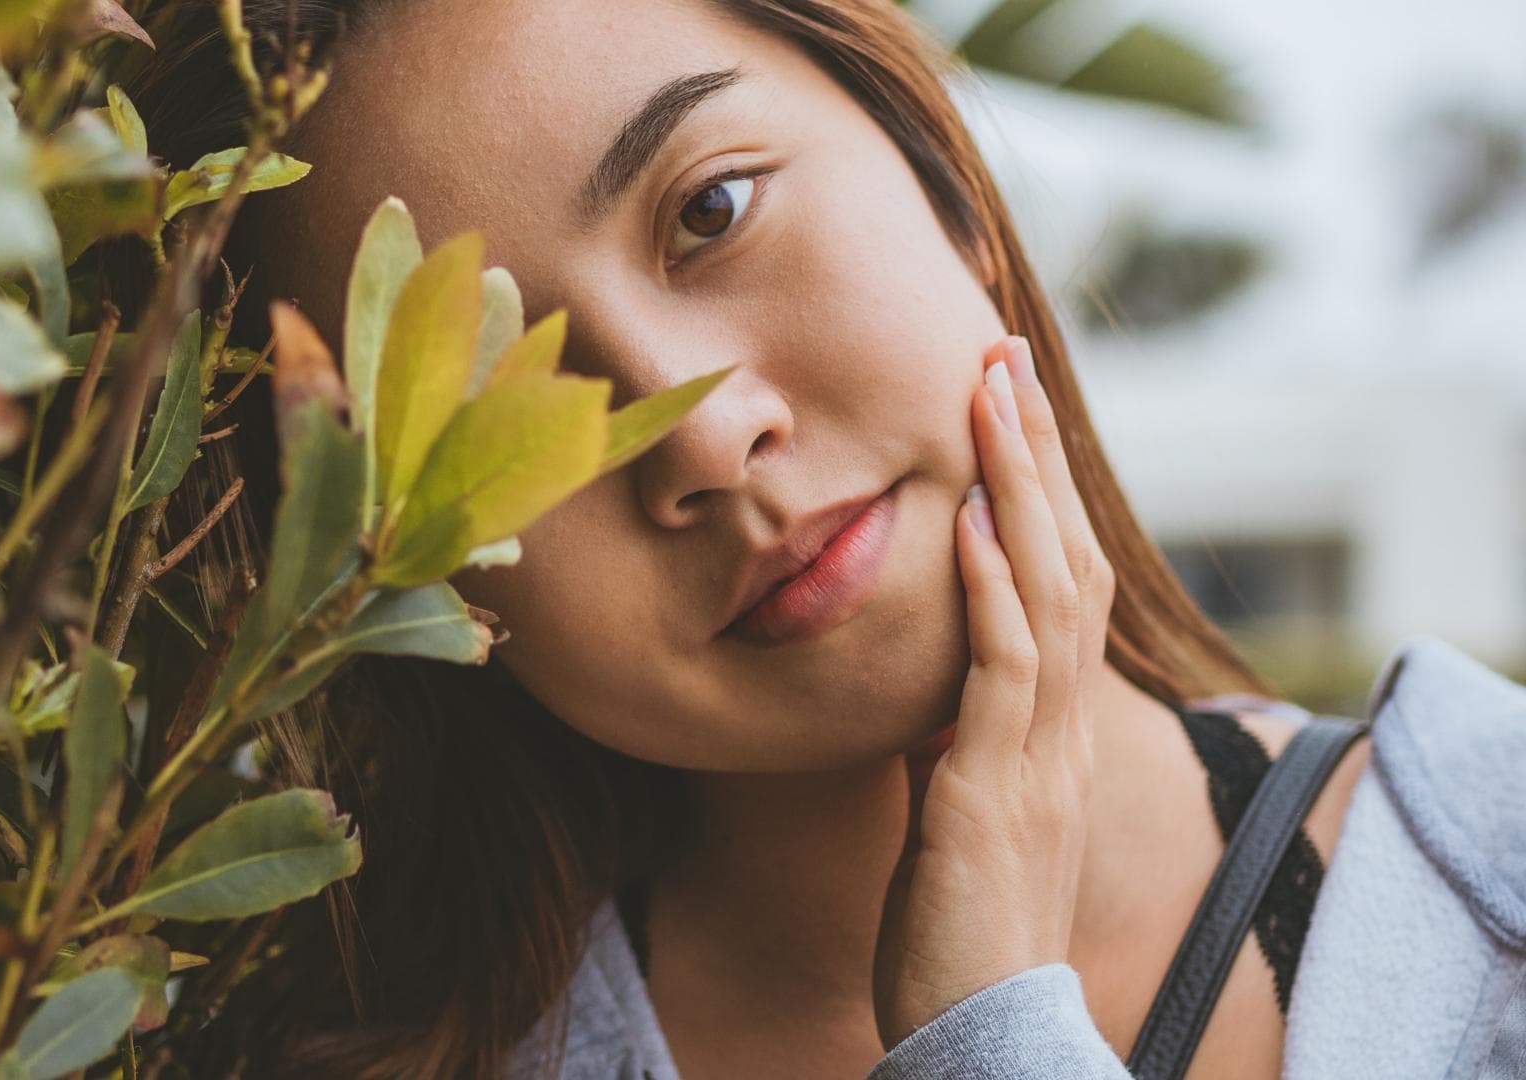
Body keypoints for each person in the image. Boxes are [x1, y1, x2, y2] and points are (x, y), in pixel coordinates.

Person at [123, 1, 1526, 1077]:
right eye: (489, 403)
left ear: (946, 178)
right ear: (385, 561)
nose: (704, 437)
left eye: (711, 209)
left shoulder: (1491, 882)